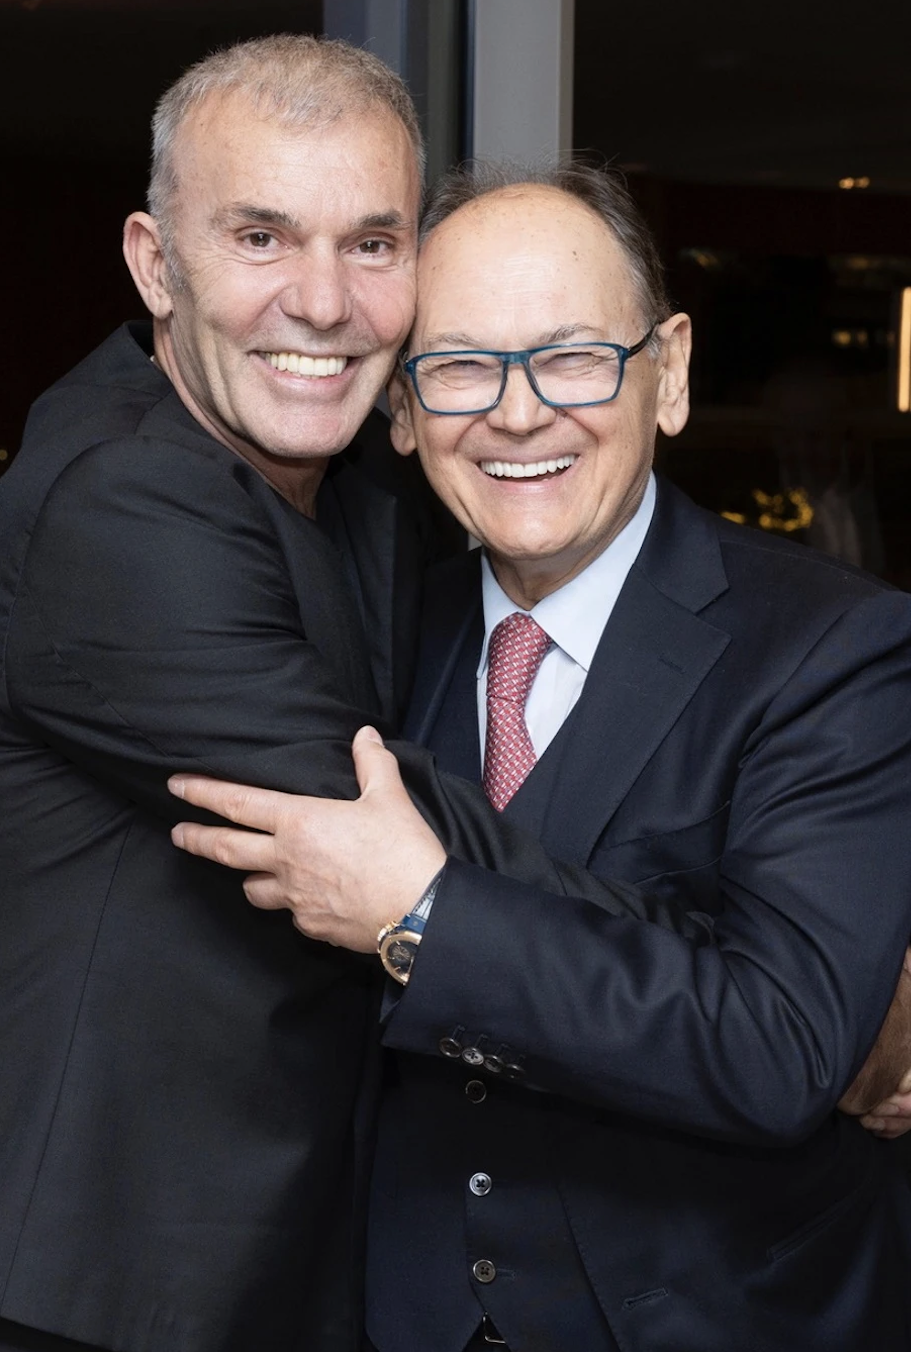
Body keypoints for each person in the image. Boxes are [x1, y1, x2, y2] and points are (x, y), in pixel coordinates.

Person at [0, 40, 740, 1352]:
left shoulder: (353, 487)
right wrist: (764, 986)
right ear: (154, 263)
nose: (323, 302)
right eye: (260, 237)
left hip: (257, 1274)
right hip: (67, 1290)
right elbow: (390, 833)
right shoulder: (121, 501)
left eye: (372, 244)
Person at [169, 162, 911, 1352]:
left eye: (572, 358)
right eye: (462, 366)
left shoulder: (831, 645)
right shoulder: (370, 636)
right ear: (403, 409)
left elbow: (780, 1046)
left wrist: (421, 914)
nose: (517, 415)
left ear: (669, 373)